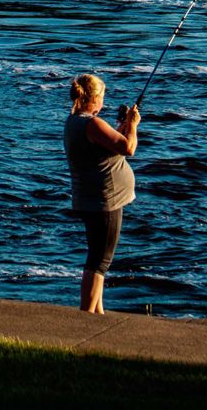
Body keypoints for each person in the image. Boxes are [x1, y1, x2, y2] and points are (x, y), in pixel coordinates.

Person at [64, 73, 139, 313]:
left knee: (97, 258)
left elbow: (105, 145)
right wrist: (133, 126)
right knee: (99, 262)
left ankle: (98, 313)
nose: (104, 101)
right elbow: (128, 148)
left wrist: (122, 127)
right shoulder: (92, 124)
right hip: (105, 199)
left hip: (90, 197)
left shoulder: (74, 121)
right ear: (94, 97)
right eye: (102, 96)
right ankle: (87, 315)